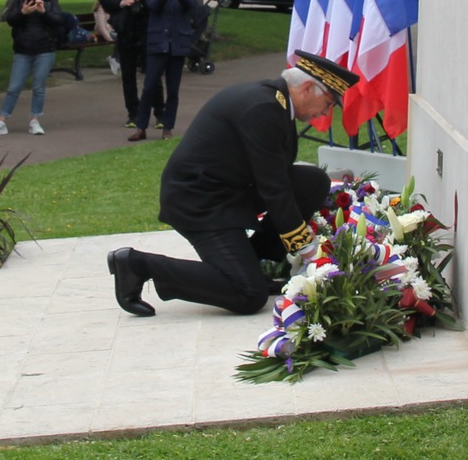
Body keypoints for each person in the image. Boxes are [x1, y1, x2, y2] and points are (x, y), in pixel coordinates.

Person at [107, 53, 352, 317]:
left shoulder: (274, 102)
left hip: (226, 191)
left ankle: (250, 260)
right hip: (199, 202)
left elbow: (278, 175)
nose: (327, 112)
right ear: (306, 88)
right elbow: (274, 187)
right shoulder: (265, 107)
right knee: (249, 294)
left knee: (313, 182)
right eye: (328, 103)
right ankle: (138, 265)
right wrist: (307, 249)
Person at [0, 0, 67, 136]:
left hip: (45, 49)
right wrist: (23, 12)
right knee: (14, 87)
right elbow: (10, 20)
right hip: (23, 49)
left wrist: (43, 12)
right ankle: (1, 121)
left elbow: (59, 20)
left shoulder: (50, 0)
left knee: (39, 87)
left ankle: (34, 120)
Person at [98, 0, 157, 129]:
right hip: (126, 28)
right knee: (128, 74)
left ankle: (158, 112)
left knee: (152, 73)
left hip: (148, 29)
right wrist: (122, 2)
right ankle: (133, 112)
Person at [135, 0, 198, 141]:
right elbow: (154, 5)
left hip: (177, 47)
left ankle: (167, 127)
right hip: (157, 45)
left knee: (173, 90)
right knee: (149, 87)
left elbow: (190, 4)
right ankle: (141, 126)